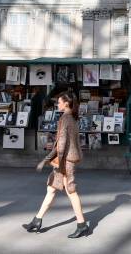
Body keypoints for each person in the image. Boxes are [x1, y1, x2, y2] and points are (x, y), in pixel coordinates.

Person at [23, 91, 89, 238]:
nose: (57, 104)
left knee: (71, 191)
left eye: (59, 102)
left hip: (65, 161)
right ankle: (37, 220)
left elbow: (61, 144)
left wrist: (48, 160)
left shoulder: (65, 118)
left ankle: (82, 224)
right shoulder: (72, 117)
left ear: (66, 103)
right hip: (66, 159)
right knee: (51, 189)